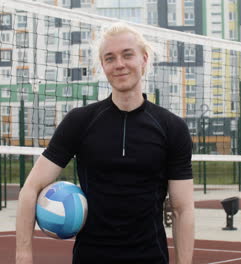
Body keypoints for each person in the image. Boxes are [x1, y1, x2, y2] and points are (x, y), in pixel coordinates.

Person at [16, 22, 194, 264]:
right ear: (103, 66)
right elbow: (30, 189)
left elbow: (182, 209)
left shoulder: (172, 127)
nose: (119, 64)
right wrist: (24, 255)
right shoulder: (80, 121)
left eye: (127, 55)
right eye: (110, 58)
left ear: (144, 59)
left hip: (150, 258)